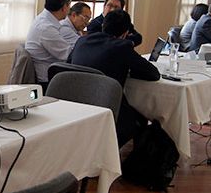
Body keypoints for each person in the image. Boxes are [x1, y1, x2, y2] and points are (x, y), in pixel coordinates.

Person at [68, 9, 159, 146]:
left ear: (103, 25)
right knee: (139, 116)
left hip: (75, 102)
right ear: (125, 34)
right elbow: (153, 74)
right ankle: (117, 156)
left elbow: (69, 64)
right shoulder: (122, 46)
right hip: (105, 105)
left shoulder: (82, 41)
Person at [25, 0, 73, 86]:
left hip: (51, 73)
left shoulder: (43, 19)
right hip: (48, 81)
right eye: (69, 5)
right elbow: (68, 55)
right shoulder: (46, 28)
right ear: (64, 7)